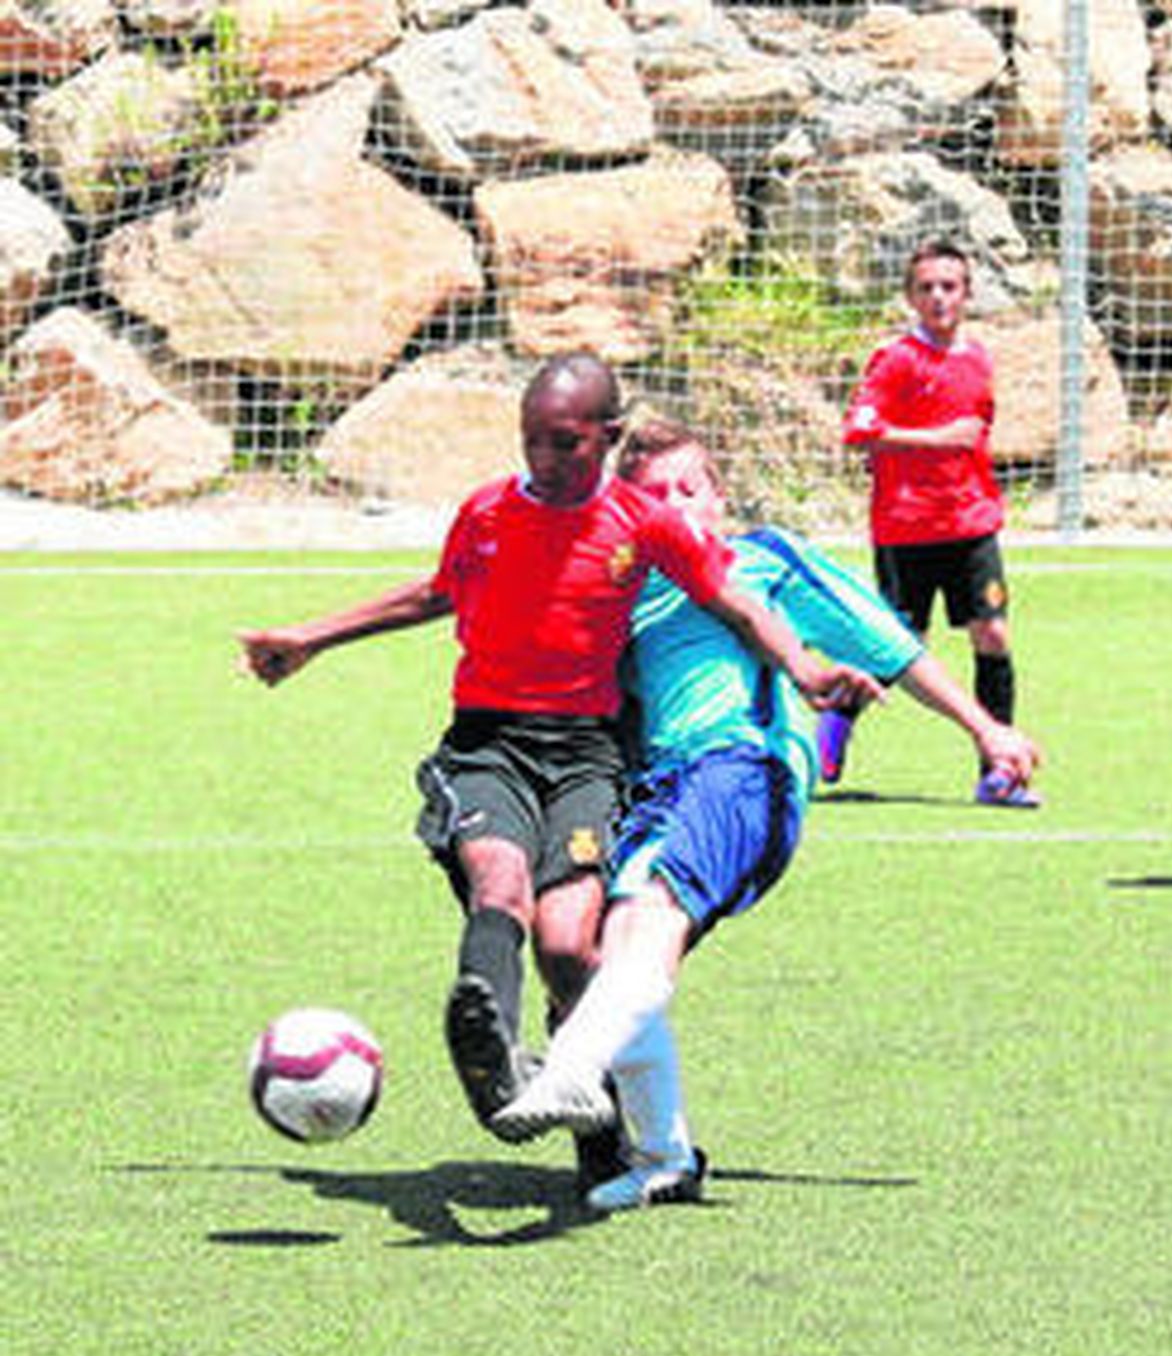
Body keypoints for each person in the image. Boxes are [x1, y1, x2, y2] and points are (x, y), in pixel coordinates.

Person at [237, 354, 881, 1188]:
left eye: (566, 443)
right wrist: (313, 636)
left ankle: (606, 1135)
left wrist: (803, 670)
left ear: (607, 439)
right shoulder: (489, 512)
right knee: (500, 886)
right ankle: (497, 1057)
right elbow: (437, 595)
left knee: (572, 944)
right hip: (490, 746)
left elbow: (741, 603)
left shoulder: (643, 523)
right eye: (532, 440)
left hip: (586, 756)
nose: (544, 459)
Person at [489, 419, 1042, 1212]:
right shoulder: (618, 585)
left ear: (719, 497)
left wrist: (987, 730)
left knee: (646, 923)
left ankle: (571, 1070)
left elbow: (891, 645)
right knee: (615, 950)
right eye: (653, 496)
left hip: (740, 768)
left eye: (691, 489)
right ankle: (663, 1158)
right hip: (655, 791)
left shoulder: (760, 561)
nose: (675, 507)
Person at [829, 236, 1039, 808]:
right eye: (927, 288)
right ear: (910, 297)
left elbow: (976, 438)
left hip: (971, 523)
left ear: (967, 294)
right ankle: (837, 722)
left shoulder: (977, 358)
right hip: (906, 528)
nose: (939, 297)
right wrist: (935, 440)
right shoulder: (896, 359)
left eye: (949, 286)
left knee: (993, 634)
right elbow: (860, 431)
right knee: (896, 647)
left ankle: (999, 770)